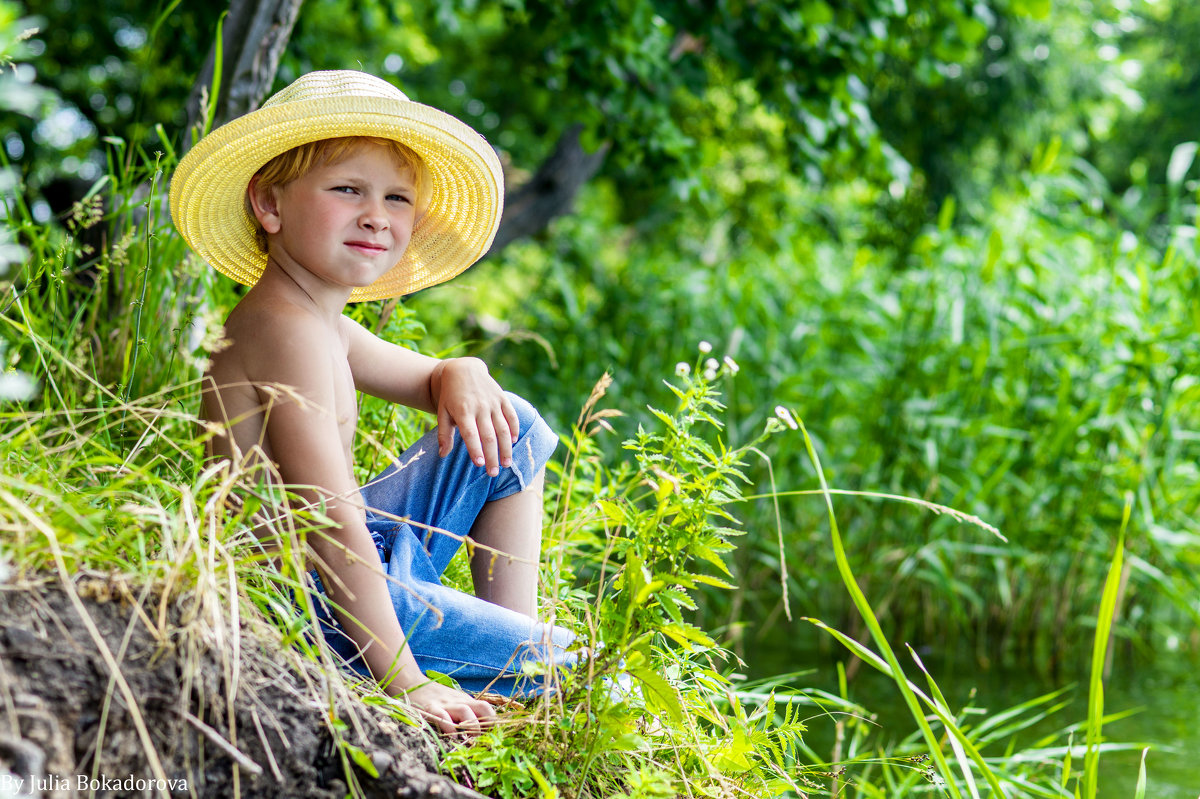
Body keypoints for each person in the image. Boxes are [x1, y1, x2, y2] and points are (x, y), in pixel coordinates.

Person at [169, 70, 574, 735]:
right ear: (269, 204)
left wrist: (460, 368)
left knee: (514, 425)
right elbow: (326, 524)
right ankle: (516, 669)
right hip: (312, 603)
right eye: (347, 189)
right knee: (587, 666)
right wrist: (405, 682)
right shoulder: (282, 329)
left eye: (396, 197)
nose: (376, 216)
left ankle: (509, 646)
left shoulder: (317, 316)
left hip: (366, 566)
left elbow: (433, 378)